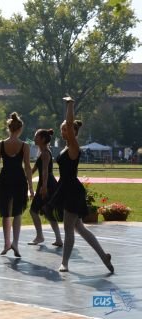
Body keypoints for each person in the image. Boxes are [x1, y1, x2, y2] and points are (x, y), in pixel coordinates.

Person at [48, 97, 113, 273]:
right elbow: (68, 125)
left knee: (69, 228)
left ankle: (65, 263)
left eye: (65, 129)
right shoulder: (66, 147)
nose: (63, 131)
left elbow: (69, 123)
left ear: (72, 132)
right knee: (79, 227)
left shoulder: (74, 146)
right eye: (62, 129)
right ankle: (103, 256)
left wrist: (70, 104)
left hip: (72, 190)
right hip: (66, 188)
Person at [0, 112, 34, 258]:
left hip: (5, 179)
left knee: (5, 213)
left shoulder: (1, 145)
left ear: (8, 128)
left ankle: (6, 243)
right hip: (19, 179)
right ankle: (15, 242)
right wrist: (31, 187)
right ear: (20, 129)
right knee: (17, 212)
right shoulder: (24, 146)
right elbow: (27, 167)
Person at [28, 129, 63, 247]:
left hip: (47, 184)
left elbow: (45, 171)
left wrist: (43, 187)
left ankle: (40, 236)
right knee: (48, 212)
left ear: (42, 139)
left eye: (36, 136)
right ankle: (58, 239)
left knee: (33, 211)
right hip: (47, 184)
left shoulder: (45, 153)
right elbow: (32, 171)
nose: (34, 138)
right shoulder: (42, 152)